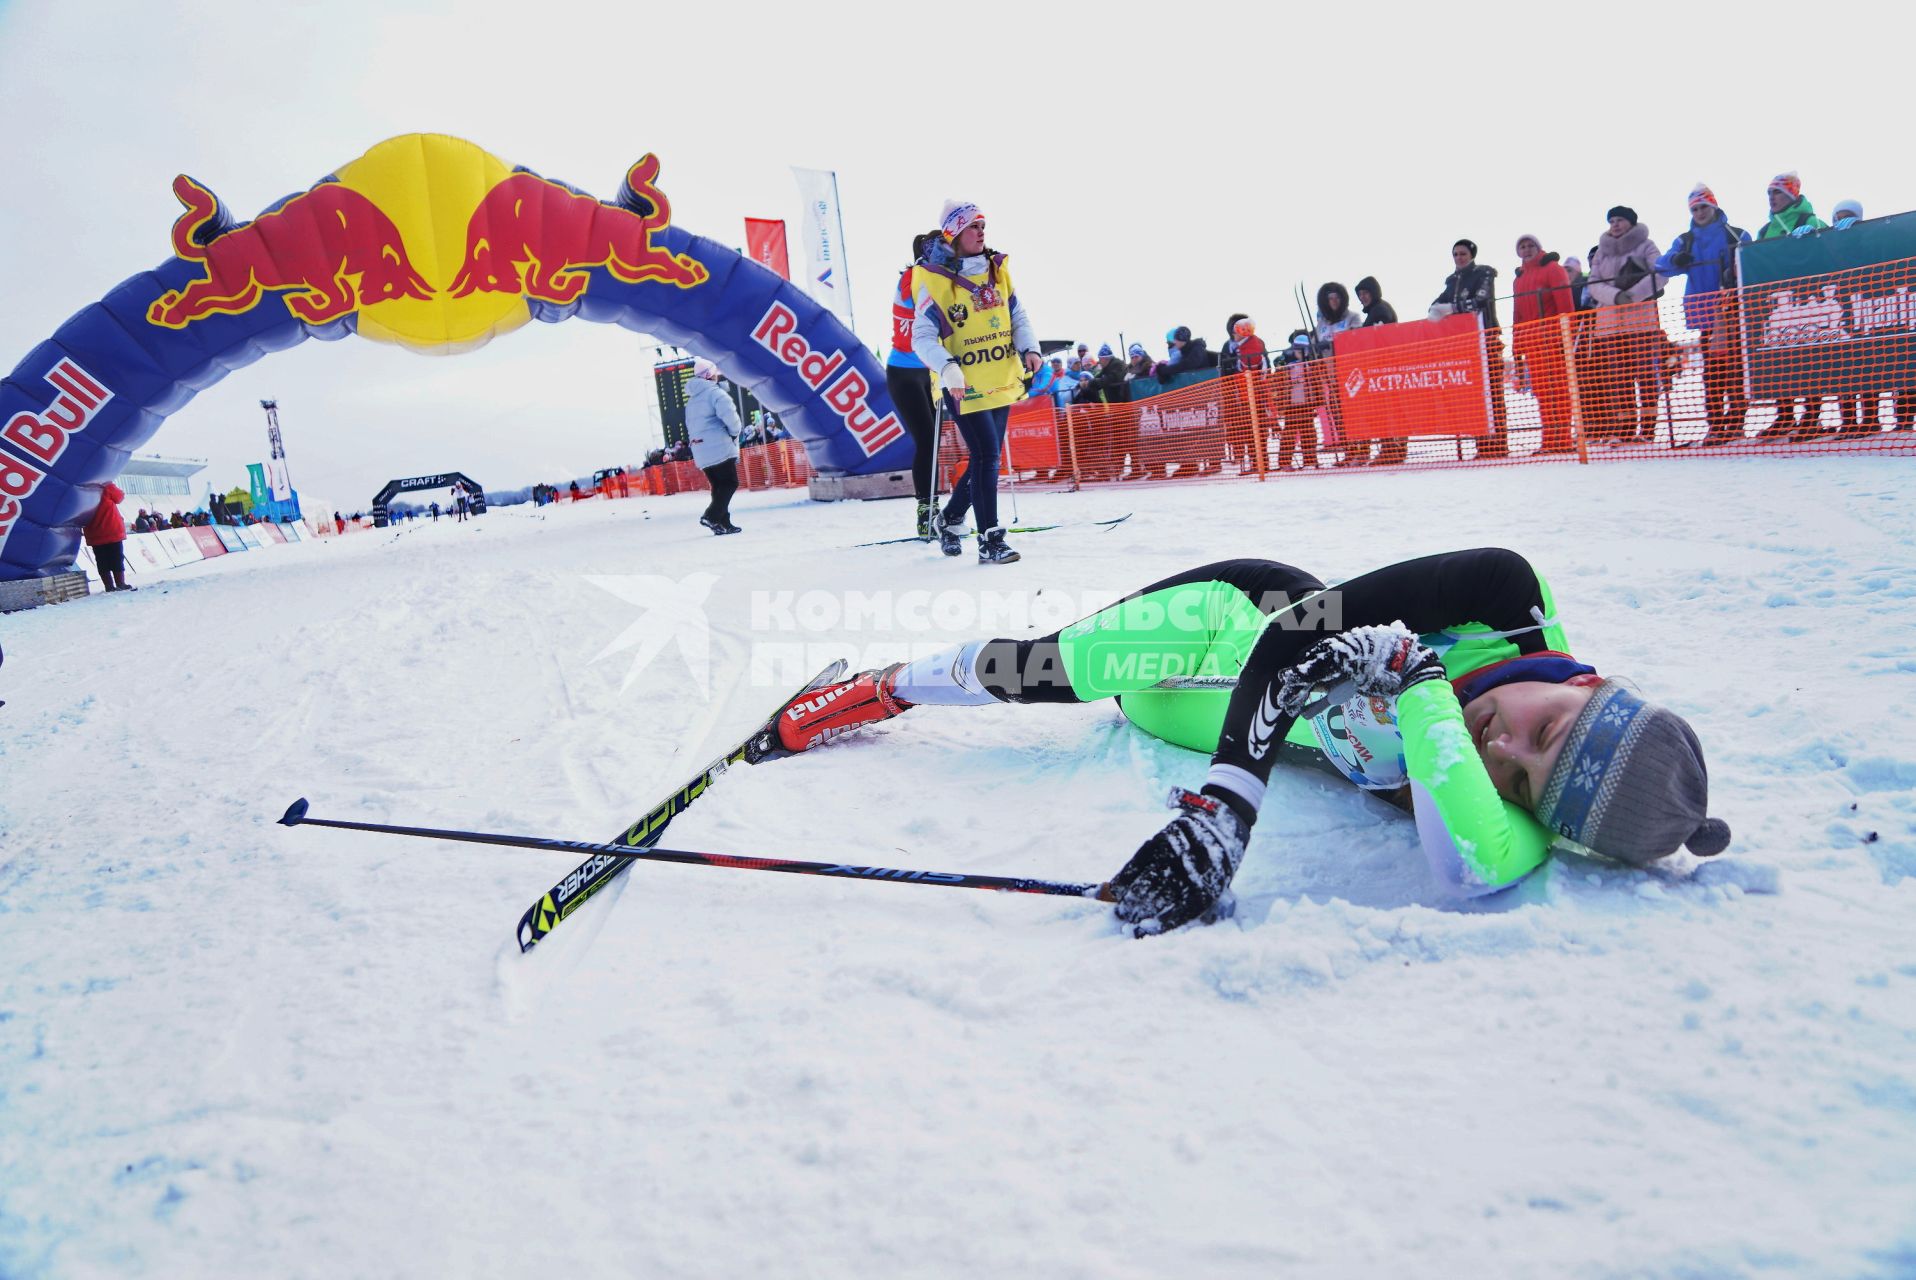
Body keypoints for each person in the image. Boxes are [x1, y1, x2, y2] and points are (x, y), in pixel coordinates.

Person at [762, 547, 1729, 935]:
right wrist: (1227, 811)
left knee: (1095, 689)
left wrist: (1425, 687)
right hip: (1229, 617)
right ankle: (879, 688)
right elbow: (1286, 636)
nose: (1501, 748)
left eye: (1520, 781)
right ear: (1592, 683)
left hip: (1178, 718)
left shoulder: (1488, 777)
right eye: (1546, 728)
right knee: (1055, 672)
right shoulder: (1505, 597)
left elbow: (1473, 866)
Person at [911, 199, 1042, 565]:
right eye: (973, 226)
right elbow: (921, 337)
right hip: (961, 383)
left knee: (986, 457)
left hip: (999, 377)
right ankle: (990, 539)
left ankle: (951, 518)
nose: (981, 232)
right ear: (954, 232)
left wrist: (1029, 347)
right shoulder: (933, 278)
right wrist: (947, 367)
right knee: (986, 455)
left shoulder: (996, 270)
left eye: (983, 225)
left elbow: (1017, 314)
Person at [1655, 184, 1752, 448]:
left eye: (1703, 207)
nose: (1699, 212)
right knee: (1712, 373)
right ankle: (1716, 424)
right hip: (1704, 314)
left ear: (1714, 207)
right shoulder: (1686, 240)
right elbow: (1661, 265)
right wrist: (1678, 260)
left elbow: (1752, 259)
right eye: (1695, 208)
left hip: (1734, 311)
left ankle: (1736, 423)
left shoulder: (1735, 234)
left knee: (1736, 370)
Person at [1584, 207, 1666, 445]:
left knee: (1645, 375)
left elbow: (1661, 274)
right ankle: (1626, 428)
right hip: (1610, 323)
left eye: (1620, 220)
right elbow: (1593, 283)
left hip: (1640, 321)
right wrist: (1615, 296)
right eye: (1612, 221)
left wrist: (1632, 295)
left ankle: (1648, 429)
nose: (1615, 224)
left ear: (1630, 223)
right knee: (1619, 377)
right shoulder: (1602, 251)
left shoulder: (1646, 245)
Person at [887, 230, 946, 540]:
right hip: (903, 372)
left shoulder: (934, 276)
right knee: (925, 440)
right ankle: (926, 513)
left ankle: (936, 509)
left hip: (930, 373)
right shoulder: (911, 277)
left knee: (934, 443)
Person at [1431, 240, 1508, 458]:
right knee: (1475, 398)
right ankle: (1482, 445)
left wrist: (1452, 308)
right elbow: (1438, 303)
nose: (1459, 257)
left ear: (1471, 254)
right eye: (1455, 254)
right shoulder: (1452, 280)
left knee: (1492, 394)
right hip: (1465, 346)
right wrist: (1436, 309)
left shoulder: (1483, 274)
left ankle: (1498, 444)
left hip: (1487, 340)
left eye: (1463, 253)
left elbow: (1481, 300)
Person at [1511, 234, 1577, 454]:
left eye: (1531, 245)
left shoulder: (1553, 269)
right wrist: (1517, 345)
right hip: (1532, 344)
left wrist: (1566, 336)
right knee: (1542, 393)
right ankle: (1549, 441)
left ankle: (1563, 440)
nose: (1527, 249)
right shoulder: (1519, 278)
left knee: (1558, 391)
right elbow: (1517, 314)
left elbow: (1565, 305)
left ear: (1538, 247)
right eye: (1522, 246)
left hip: (1553, 341)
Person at [1354, 278, 1409, 466]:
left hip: (1384, 367)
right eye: (1359, 294)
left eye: (1365, 293)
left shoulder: (1380, 310)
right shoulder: (1375, 311)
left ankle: (1391, 450)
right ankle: (1395, 449)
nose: (1362, 297)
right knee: (1388, 410)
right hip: (1383, 367)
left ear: (1373, 292)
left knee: (1386, 410)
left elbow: (1378, 337)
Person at [686, 358, 743, 534]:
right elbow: (731, 418)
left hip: (701, 451)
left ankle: (723, 524)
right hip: (719, 447)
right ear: (710, 375)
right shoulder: (716, 394)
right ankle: (711, 516)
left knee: (718, 487)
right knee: (730, 483)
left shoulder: (692, 401)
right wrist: (735, 432)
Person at [1314, 283, 1364, 465]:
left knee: (1356, 412)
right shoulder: (1321, 323)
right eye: (1330, 299)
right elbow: (1316, 343)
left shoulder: (1352, 317)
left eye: (1337, 298)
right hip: (1330, 373)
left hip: (1350, 371)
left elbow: (1357, 337)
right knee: (1338, 414)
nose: (1334, 302)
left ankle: (1362, 451)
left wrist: (1337, 343)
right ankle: (1349, 451)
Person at [1273, 331, 1320, 470]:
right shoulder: (1288, 366)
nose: (1300, 353)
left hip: (1307, 403)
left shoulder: (1310, 365)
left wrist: (1317, 399)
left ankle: (1310, 460)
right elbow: (1279, 375)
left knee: (1309, 433)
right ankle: (1284, 462)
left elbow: (1316, 382)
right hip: (1292, 404)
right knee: (1289, 433)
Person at [86, 481, 133, 592]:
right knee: (116, 557)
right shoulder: (105, 485)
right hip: (112, 528)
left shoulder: (82, 488)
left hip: (93, 531)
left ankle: (108, 586)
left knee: (101, 560)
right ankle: (120, 583)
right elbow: (119, 497)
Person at [1758, 172, 1825, 241]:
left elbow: (1832, 249)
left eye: (1777, 192)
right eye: (1769, 193)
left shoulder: (1812, 222)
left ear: (1791, 196)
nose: (1771, 197)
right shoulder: (1763, 232)